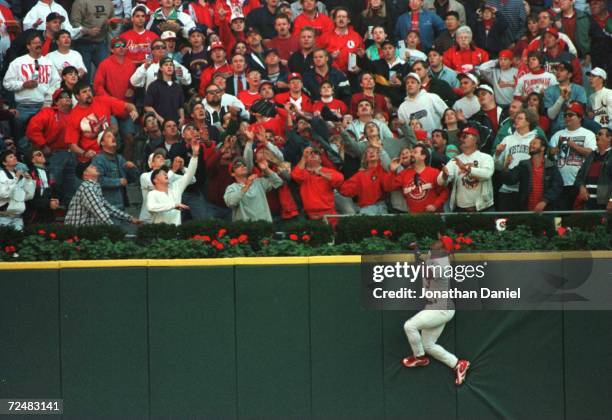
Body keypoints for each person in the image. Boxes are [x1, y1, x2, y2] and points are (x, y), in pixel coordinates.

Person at [402, 238, 470, 387]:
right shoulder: (434, 258)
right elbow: (423, 261)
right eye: (432, 249)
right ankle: (458, 364)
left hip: (441, 309)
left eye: (436, 249)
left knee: (410, 326)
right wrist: (416, 250)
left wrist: (418, 254)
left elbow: (426, 269)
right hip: (436, 308)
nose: (432, 251)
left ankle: (419, 357)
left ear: (444, 252)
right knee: (428, 345)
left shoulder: (443, 265)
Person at [3, 32, 61, 139]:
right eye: (35, 43)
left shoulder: (48, 62)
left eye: (39, 42)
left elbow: (56, 82)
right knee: (21, 140)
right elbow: (6, 83)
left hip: (43, 107)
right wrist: (23, 85)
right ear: (28, 46)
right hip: (22, 107)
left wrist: (48, 100)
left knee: (42, 138)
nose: (38, 45)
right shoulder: (17, 62)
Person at [65, 80, 139, 163]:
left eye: (89, 90)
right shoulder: (73, 116)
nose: (88, 94)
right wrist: (84, 153)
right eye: (84, 92)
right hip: (90, 159)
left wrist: (134, 110)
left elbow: (127, 106)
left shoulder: (103, 101)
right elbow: (72, 145)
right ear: (77, 96)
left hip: (109, 153)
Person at [25, 88, 76, 204]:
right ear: (56, 102)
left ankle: (69, 212)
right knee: (54, 182)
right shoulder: (47, 112)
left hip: (73, 153)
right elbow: (32, 130)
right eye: (63, 96)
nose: (67, 97)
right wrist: (43, 145)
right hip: (55, 153)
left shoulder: (76, 113)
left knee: (71, 184)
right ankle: (51, 210)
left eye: (68, 96)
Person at [549, 102, 596, 210]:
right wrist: (553, 151)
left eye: (570, 115)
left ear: (580, 117)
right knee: (559, 218)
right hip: (559, 184)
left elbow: (592, 154)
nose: (567, 117)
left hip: (578, 183)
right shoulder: (557, 134)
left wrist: (575, 146)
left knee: (576, 218)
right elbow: (550, 156)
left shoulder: (588, 134)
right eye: (565, 115)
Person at [64, 161, 140, 226]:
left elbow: (108, 208)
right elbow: (98, 211)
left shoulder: (95, 186)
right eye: (91, 167)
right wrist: (113, 227)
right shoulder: (87, 188)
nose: (94, 167)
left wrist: (130, 218)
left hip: (86, 230)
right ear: (86, 175)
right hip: (77, 232)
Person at [499, 136, 563, 212]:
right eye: (530, 144)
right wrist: (506, 166)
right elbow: (510, 180)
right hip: (526, 211)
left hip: (546, 210)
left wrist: (545, 201)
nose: (531, 145)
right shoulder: (523, 165)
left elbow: (557, 186)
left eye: (534, 143)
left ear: (543, 148)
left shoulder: (551, 166)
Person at [437, 127, 495, 212]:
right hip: (461, 210)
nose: (461, 139)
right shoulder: (455, 160)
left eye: (465, 136)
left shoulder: (486, 157)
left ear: (475, 140)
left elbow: (487, 174)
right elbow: (439, 181)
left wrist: (466, 168)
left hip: (484, 208)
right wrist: (444, 176)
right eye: (460, 137)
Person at [147, 138, 200, 225]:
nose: (166, 174)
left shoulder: (176, 187)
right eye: (162, 173)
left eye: (166, 173)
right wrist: (174, 205)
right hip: (160, 235)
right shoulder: (152, 193)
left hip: (177, 233)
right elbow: (151, 207)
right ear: (155, 179)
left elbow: (189, 176)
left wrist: (194, 155)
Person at [494, 109, 539, 211]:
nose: (516, 121)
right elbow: (497, 166)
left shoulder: (535, 139)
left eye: (520, 118)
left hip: (528, 189)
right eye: (516, 118)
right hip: (507, 188)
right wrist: (497, 154)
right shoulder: (507, 139)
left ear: (528, 121)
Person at [390, 143, 448, 212]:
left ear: (423, 156)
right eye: (411, 152)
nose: (411, 154)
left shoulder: (434, 172)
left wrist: (435, 205)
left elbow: (445, 192)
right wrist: (392, 171)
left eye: (415, 152)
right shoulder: (404, 173)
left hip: (433, 216)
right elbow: (389, 187)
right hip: (413, 218)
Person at [291, 146, 344, 221]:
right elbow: (295, 176)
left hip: (329, 213)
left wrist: (322, 174)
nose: (312, 154)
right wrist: (303, 157)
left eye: (316, 153)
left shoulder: (327, 171)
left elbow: (340, 179)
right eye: (309, 154)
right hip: (309, 215)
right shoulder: (303, 173)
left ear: (320, 160)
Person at [224, 156, 283, 222]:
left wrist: (266, 169)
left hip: (264, 225)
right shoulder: (231, 188)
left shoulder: (258, 182)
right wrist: (247, 185)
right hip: (244, 228)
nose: (243, 166)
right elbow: (231, 203)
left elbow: (278, 182)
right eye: (238, 166)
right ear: (232, 173)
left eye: (244, 165)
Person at [91, 130, 139, 210]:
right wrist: (118, 181)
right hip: (108, 206)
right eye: (109, 136)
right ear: (102, 143)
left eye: (113, 136)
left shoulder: (120, 158)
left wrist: (132, 169)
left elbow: (131, 180)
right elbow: (98, 180)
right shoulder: (98, 159)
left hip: (122, 204)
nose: (113, 137)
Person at [70, 0, 115, 80]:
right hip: (83, 43)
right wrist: (87, 31)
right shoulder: (80, 2)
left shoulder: (109, 2)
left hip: (101, 43)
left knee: (107, 73)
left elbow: (114, 25)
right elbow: (74, 23)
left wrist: (112, 23)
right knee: (84, 75)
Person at [339, 145, 390, 215]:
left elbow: (389, 186)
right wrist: (336, 181)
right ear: (365, 158)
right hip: (367, 209)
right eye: (368, 152)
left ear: (379, 155)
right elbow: (344, 190)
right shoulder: (360, 175)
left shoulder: (383, 170)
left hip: (383, 207)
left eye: (374, 151)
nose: (371, 153)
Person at [543, 61, 587, 134]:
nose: (558, 72)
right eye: (557, 70)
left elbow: (581, 112)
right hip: (556, 130)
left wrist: (568, 100)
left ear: (569, 75)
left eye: (562, 70)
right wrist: (562, 98)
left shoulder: (579, 89)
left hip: (576, 130)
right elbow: (551, 116)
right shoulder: (549, 90)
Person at [574, 127, 612, 211]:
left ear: (609, 138)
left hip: (605, 203)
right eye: (597, 134)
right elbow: (579, 176)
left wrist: (611, 200)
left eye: (600, 134)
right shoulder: (591, 155)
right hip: (588, 203)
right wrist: (581, 187)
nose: (597, 136)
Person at [317, 7, 363, 73]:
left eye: (344, 17)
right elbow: (317, 56)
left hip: (351, 74)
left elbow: (362, 56)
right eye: (338, 17)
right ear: (334, 20)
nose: (341, 19)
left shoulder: (356, 36)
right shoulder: (325, 36)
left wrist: (361, 56)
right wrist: (330, 56)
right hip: (331, 74)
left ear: (348, 20)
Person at [0, 149, 36, 230]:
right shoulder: (1, 174)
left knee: (19, 241)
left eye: (14, 156)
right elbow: (4, 194)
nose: (15, 157)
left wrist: (29, 181)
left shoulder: (20, 175)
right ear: (4, 162)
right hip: (2, 217)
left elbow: (28, 196)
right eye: (11, 157)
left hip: (18, 217)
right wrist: (16, 178)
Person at [144, 57, 186, 124]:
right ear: (161, 68)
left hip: (175, 124)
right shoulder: (153, 86)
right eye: (166, 65)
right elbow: (147, 106)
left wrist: (182, 118)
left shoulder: (178, 87)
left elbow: (180, 106)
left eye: (171, 65)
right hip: (160, 125)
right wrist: (160, 120)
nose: (169, 67)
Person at [24, 148, 60, 224]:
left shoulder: (49, 172)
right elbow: (30, 195)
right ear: (32, 160)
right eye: (39, 154)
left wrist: (56, 199)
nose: (42, 155)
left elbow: (54, 189)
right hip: (34, 211)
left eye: (42, 153)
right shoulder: (29, 173)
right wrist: (47, 203)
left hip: (48, 209)